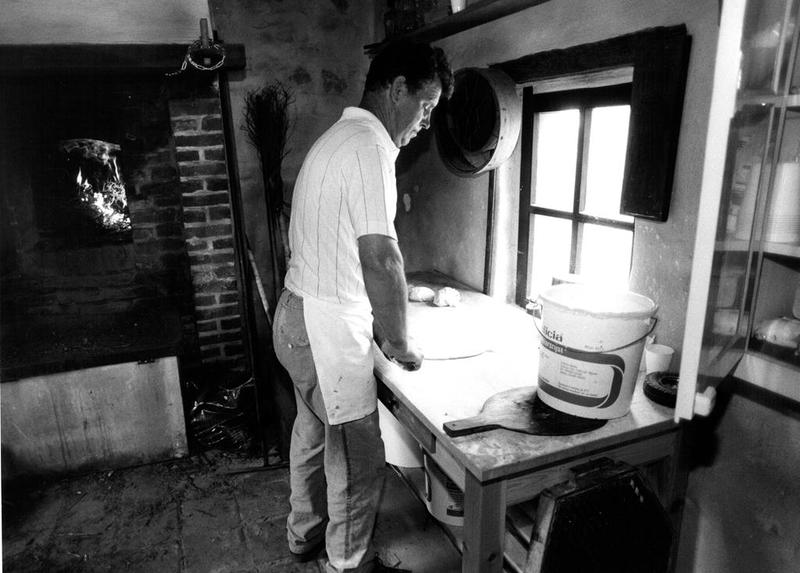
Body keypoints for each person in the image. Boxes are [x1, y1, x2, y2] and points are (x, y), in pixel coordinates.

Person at [272, 41, 453, 573]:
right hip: (323, 333)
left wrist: (381, 320)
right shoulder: (370, 147)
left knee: (312, 435)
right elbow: (381, 257)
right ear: (397, 90)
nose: (425, 122)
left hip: (294, 317)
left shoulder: (337, 137)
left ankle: (303, 534)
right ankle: (345, 564)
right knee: (358, 458)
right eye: (425, 106)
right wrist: (399, 342)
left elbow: (346, 252)